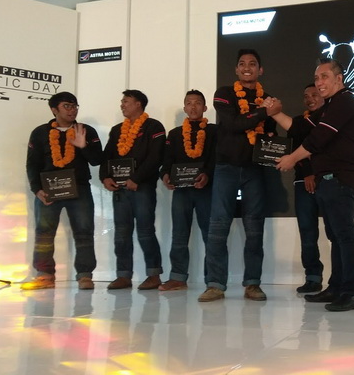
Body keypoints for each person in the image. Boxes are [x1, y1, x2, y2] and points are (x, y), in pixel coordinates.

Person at [275, 58, 354, 312]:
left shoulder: (344, 101)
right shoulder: (332, 105)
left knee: (344, 235)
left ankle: (351, 292)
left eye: (324, 77)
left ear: (339, 78)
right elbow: (302, 129)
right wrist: (275, 112)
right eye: (316, 78)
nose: (319, 82)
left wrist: (292, 158)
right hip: (328, 179)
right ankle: (336, 287)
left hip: (339, 178)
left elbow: (318, 138)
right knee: (336, 236)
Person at [198, 49, 277, 302]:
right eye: (242, 63)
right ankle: (215, 284)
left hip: (255, 169)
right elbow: (233, 124)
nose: (247, 68)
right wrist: (264, 112)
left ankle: (253, 284)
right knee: (218, 226)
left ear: (260, 70)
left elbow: (270, 131)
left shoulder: (267, 98)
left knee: (254, 228)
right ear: (236, 69)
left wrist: (272, 137)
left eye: (252, 64)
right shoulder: (224, 93)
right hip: (226, 168)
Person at [23, 91, 103, 290]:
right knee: (44, 233)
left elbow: (97, 160)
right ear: (54, 109)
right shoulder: (40, 132)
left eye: (75, 106)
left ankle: (85, 275)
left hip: (79, 188)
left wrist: (83, 146)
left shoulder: (86, 130)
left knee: (84, 231)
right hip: (49, 189)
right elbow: (32, 164)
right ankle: (45, 275)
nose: (72, 110)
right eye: (67, 106)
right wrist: (37, 189)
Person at [100, 89, 166, 290]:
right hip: (120, 189)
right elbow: (107, 156)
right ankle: (123, 275)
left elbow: (156, 157)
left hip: (142, 187)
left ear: (138, 104)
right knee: (121, 233)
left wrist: (136, 179)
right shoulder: (117, 130)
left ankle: (154, 275)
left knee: (145, 231)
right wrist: (105, 177)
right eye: (122, 101)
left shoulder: (154, 126)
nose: (122, 105)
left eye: (126, 101)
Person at [158, 90, 217, 291]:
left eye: (198, 103)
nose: (193, 106)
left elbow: (217, 158)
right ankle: (177, 277)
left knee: (211, 235)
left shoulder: (214, 131)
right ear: (184, 108)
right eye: (189, 103)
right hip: (181, 191)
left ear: (205, 107)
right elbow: (167, 161)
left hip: (206, 189)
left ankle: (213, 280)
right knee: (179, 234)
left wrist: (207, 174)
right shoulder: (175, 134)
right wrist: (165, 175)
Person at [270, 84, 326, 294]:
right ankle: (313, 277)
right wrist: (308, 172)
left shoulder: (331, 119)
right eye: (306, 96)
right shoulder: (298, 122)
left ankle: (340, 277)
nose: (310, 99)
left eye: (314, 94)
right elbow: (294, 151)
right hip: (303, 182)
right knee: (307, 232)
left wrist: (314, 173)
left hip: (328, 180)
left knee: (335, 230)